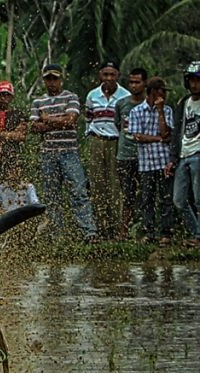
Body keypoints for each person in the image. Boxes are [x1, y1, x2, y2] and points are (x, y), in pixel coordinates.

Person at [29, 64, 99, 242]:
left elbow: (71, 120)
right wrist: (56, 122)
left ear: (61, 79)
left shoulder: (71, 97)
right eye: (48, 79)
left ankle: (89, 232)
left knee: (78, 191)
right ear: (44, 80)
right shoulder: (38, 101)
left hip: (69, 152)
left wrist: (47, 120)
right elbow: (35, 127)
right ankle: (57, 235)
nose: (52, 82)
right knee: (52, 195)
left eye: (55, 78)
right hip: (48, 153)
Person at [84, 61, 131, 238]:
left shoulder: (124, 96)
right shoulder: (93, 95)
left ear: (117, 75)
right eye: (106, 75)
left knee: (114, 184)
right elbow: (88, 118)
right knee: (97, 185)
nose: (109, 78)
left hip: (115, 141)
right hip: (96, 140)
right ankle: (101, 228)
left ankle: (116, 229)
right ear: (100, 75)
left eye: (112, 75)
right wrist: (89, 135)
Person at [128, 77, 175, 244]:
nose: (164, 95)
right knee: (147, 199)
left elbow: (167, 134)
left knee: (165, 199)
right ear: (154, 92)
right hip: (146, 163)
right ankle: (149, 232)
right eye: (161, 92)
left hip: (164, 162)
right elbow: (137, 136)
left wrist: (160, 111)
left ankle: (166, 234)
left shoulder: (167, 110)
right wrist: (159, 139)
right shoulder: (136, 112)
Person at [0, 81, 35, 213]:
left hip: (10, 161)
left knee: (11, 192)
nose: (4, 98)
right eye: (1, 95)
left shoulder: (18, 114)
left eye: (7, 95)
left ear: (11, 97)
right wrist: (8, 134)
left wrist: (0, 134)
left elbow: (21, 135)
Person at [166, 60, 200, 247]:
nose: (194, 84)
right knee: (179, 200)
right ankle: (196, 233)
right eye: (191, 80)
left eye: (197, 80)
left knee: (199, 199)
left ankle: (198, 237)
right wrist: (172, 159)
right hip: (183, 154)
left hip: (198, 154)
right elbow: (177, 133)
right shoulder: (183, 103)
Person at [115, 68, 148, 238]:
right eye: (131, 82)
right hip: (124, 155)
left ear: (145, 84)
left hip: (145, 157)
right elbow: (118, 125)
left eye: (137, 82)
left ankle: (146, 230)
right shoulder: (122, 104)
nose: (134, 85)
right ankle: (123, 232)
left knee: (146, 195)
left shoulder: (148, 105)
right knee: (127, 195)